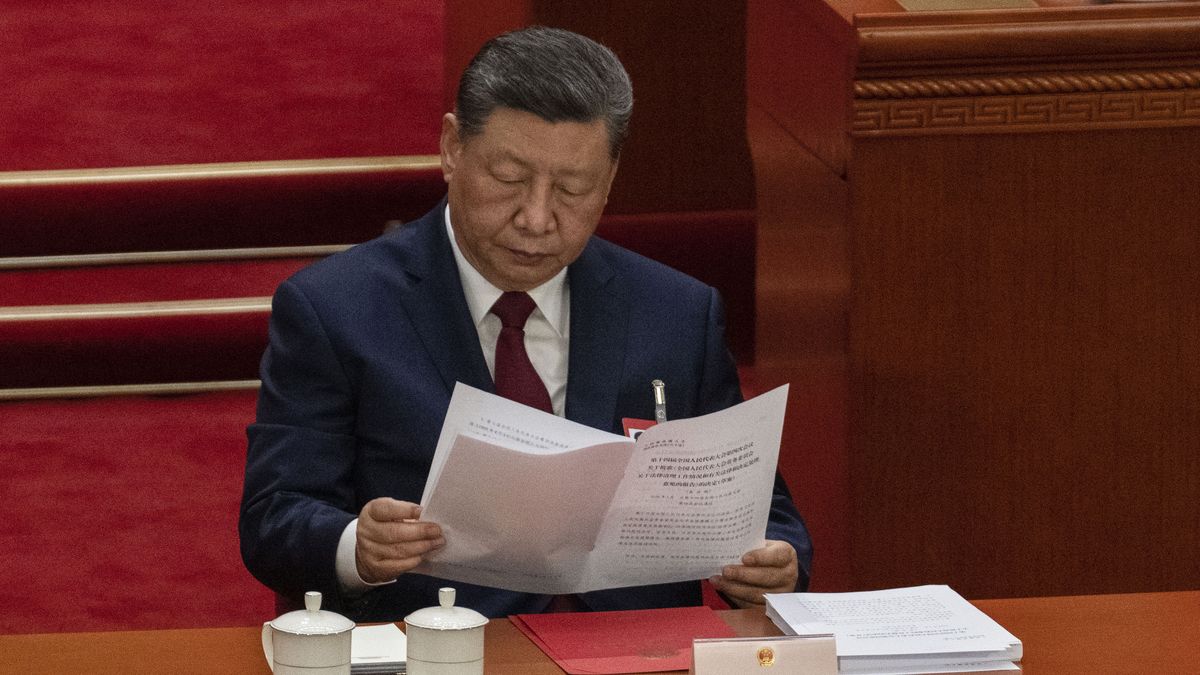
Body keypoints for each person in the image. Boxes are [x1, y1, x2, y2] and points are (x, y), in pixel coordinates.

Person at [239, 26, 812, 622]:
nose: (537, 218)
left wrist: (778, 561)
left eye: (573, 188)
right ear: (451, 148)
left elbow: (760, 509)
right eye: (509, 179)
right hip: (442, 650)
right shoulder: (336, 309)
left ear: (611, 178)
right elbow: (274, 515)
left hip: (632, 651)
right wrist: (357, 545)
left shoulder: (676, 313)